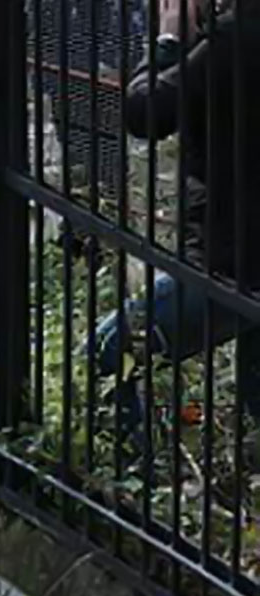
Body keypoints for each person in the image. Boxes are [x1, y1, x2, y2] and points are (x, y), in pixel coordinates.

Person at [91, 0, 260, 454]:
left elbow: (145, 113)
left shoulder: (233, 40)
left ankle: (128, 487)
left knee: (105, 353)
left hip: (229, 266)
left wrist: (167, 39)